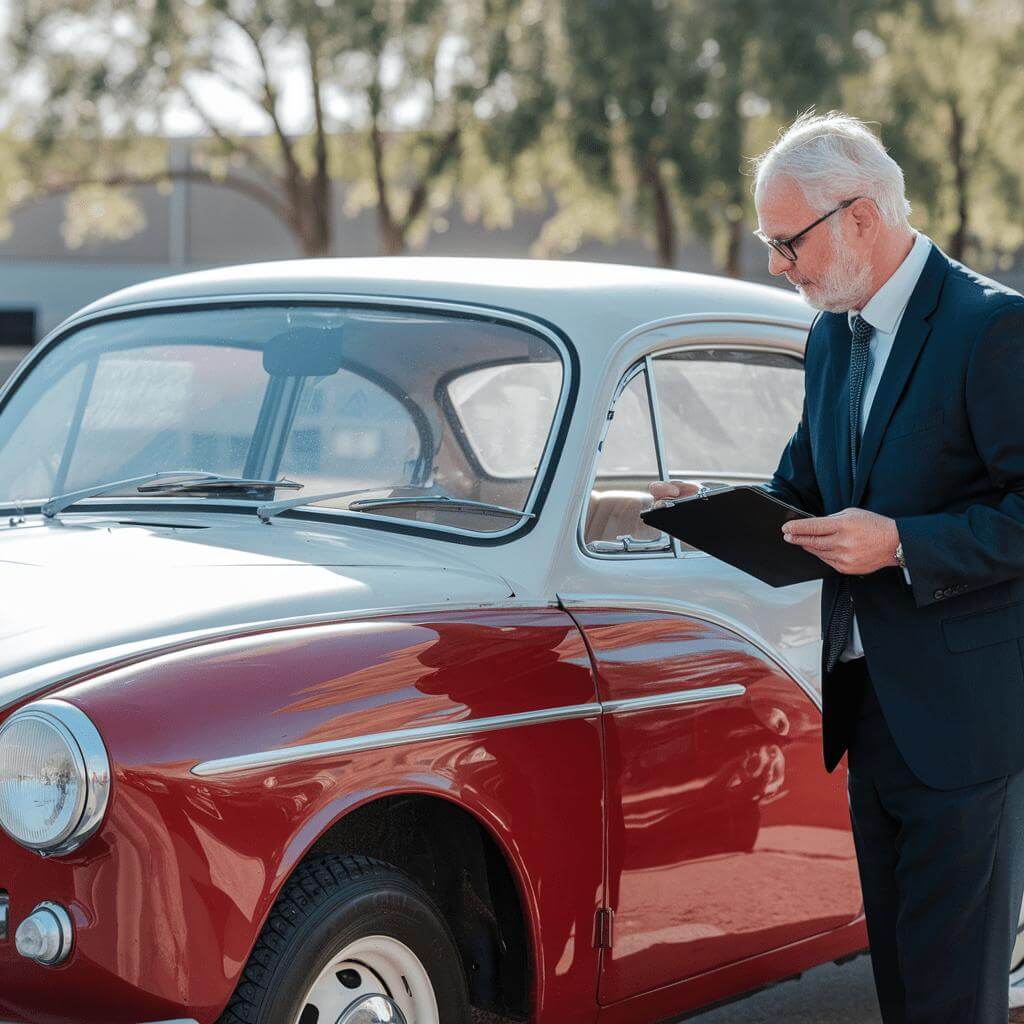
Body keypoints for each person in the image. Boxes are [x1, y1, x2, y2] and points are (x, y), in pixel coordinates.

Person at [650, 110, 1024, 1023]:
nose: (779, 265)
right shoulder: (832, 337)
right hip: (868, 712)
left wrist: (901, 542)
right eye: (769, 244)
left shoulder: (993, 328)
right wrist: (711, 506)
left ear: (860, 216)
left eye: (787, 242)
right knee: (901, 991)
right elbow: (804, 491)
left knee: (951, 1001)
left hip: (967, 735)